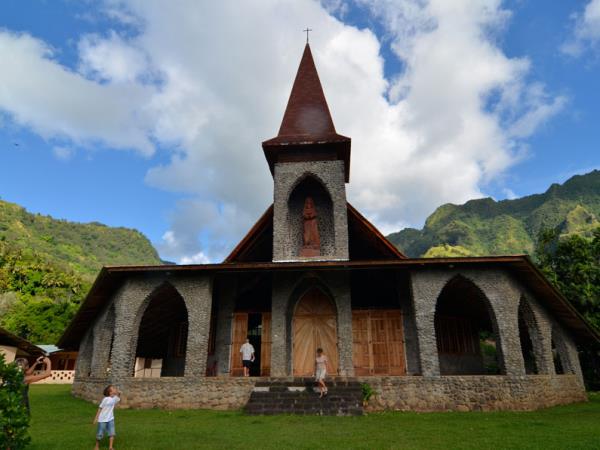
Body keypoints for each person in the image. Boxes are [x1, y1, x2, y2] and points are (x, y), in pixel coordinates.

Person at [93, 385, 121, 450]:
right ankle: (96, 446)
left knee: (112, 433)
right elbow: (100, 408)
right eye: (113, 388)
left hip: (111, 419)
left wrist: (119, 393)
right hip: (102, 419)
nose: (115, 389)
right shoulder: (105, 399)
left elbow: (118, 398)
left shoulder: (114, 398)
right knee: (100, 434)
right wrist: (96, 418)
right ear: (110, 392)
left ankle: (110, 447)